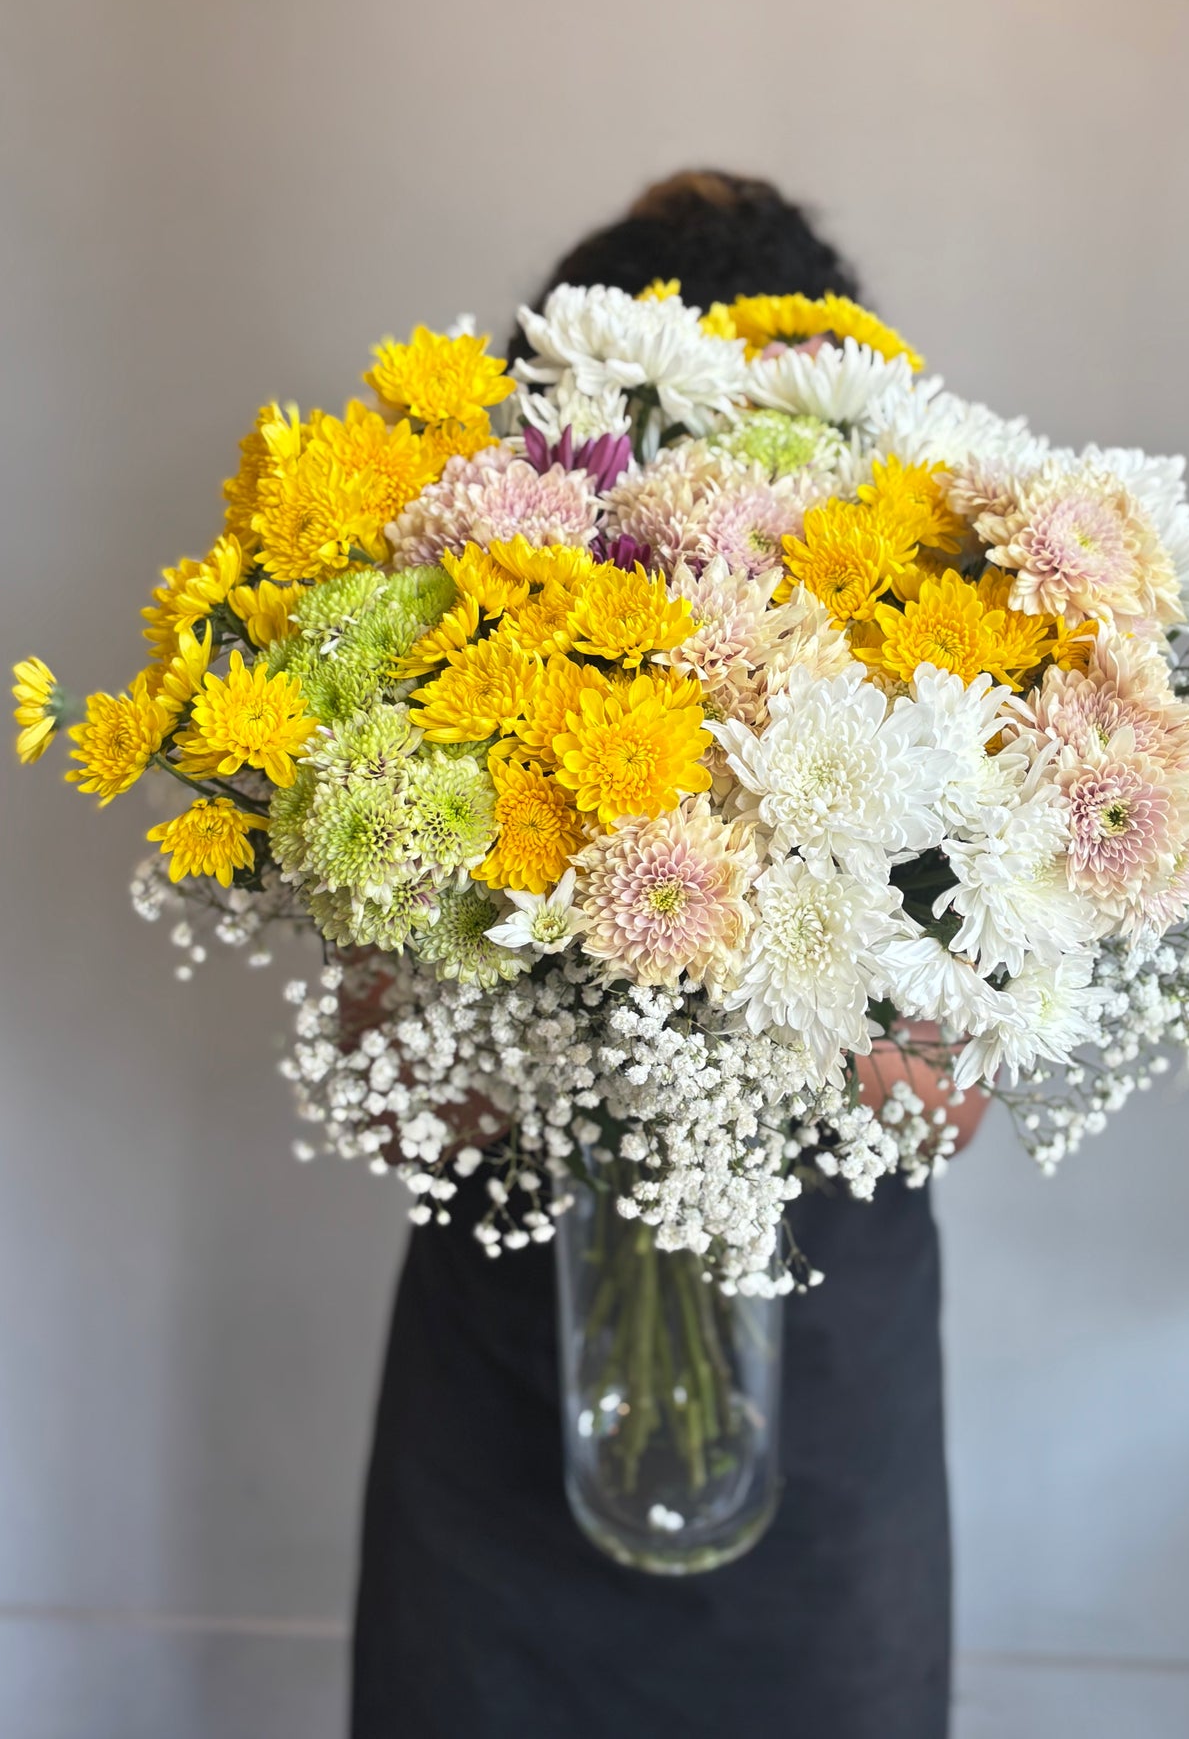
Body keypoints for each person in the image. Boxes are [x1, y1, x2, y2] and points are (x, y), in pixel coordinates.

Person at [351, 170, 986, 1739]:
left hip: (820, 1377)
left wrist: (809, 1009)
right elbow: (375, 1065)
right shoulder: (442, 659)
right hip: (503, 1377)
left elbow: (951, 1089)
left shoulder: (937, 677)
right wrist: (522, 1039)